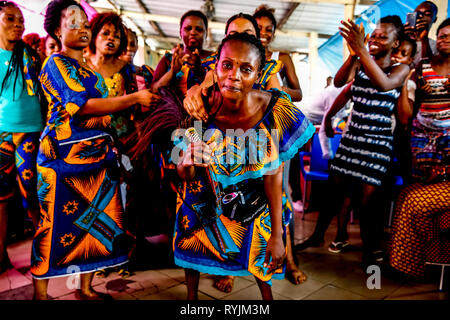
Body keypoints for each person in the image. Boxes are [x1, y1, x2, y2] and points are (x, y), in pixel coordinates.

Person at [173, 32, 315, 300]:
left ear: (258, 74)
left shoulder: (272, 109)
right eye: (227, 65)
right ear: (216, 68)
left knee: (264, 257)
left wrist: (277, 234)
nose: (234, 75)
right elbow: (186, 175)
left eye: (246, 69)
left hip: (254, 200)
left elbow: (273, 174)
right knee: (191, 229)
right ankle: (192, 300)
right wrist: (187, 161)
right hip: (206, 198)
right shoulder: (199, 108)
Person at [31, 0, 155, 300]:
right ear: (56, 30)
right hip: (62, 160)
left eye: (85, 24)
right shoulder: (55, 63)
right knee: (53, 225)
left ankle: (85, 288)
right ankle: (41, 293)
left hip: (96, 157)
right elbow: (81, 106)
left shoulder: (84, 65)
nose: (83, 29)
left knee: (94, 226)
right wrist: (133, 99)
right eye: (73, 24)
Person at [295, 16, 410, 266]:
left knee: (369, 202)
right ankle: (316, 237)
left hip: (377, 146)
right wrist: (353, 55)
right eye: (374, 34)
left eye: (383, 36)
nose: (375, 39)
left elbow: (383, 84)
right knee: (333, 194)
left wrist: (361, 51)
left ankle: (370, 249)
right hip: (351, 141)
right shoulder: (360, 63)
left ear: (396, 42)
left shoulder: (398, 70)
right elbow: (340, 85)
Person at [389, 18, 450, 279]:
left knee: (414, 201)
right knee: (407, 195)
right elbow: (406, 116)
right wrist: (407, 85)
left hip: (446, 164)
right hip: (426, 150)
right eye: (443, 35)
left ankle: (406, 267)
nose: (445, 39)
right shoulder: (423, 68)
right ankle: (425, 261)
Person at [0, 1, 43, 274]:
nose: (18, 24)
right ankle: (1, 255)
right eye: (10, 19)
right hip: (2, 135)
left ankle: (44, 254)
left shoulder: (31, 55)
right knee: (2, 198)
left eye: (20, 20)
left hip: (29, 131)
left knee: (32, 194)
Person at [253, 5, 302, 102]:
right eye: (259, 28)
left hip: (273, 114)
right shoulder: (243, 58)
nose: (263, 33)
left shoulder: (282, 58)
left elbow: (299, 94)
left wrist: (280, 90)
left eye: (268, 29)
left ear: (273, 33)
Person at [404, 1, 438, 66]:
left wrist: (424, 39)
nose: (420, 16)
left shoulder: (436, 46)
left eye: (427, 14)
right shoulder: (399, 38)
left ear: (434, 19)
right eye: (417, 13)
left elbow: (428, 68)